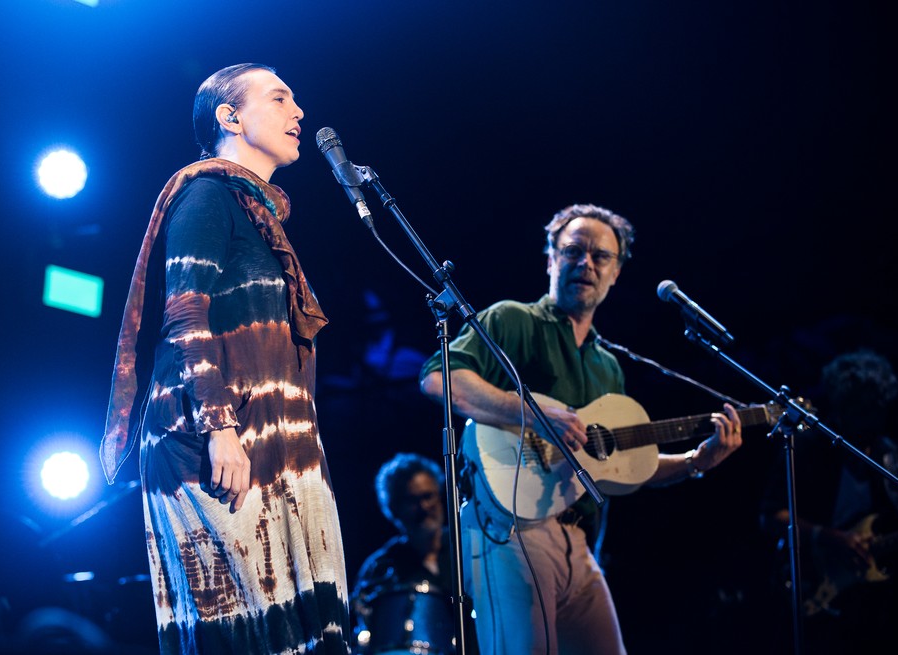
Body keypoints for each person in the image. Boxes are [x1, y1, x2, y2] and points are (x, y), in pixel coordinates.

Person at [100, 63, 350, 655]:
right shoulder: (206, 195)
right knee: (241, 633)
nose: (299, 113)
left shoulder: (255, 212)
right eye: (280, 98)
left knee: (299, 632)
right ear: (230, 117)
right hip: (211, 446)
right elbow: (185, 316)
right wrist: (220, 429)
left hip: (268, 440)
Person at [418, 204, 743, 655]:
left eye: (600, 256)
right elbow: (440, 378)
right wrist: (530, 411)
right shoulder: (514, 320)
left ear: (616, 273)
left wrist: (696, 462)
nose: (585, 263)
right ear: (551, 259)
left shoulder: (607, 366)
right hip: (509, 528)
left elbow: (625, 467)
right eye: (573, 250)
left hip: (577, 539)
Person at [760, 349, 898, 654]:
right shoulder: (809, 446)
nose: (870, 418)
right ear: (843, 405)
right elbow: (771, 515)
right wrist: (831, 538)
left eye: (876, 409)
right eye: (862, 409)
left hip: (873, 600)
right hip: (816, 586)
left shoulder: (887, 454)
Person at [351, 453, 469, 655]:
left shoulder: (468, 546)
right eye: (412, 500)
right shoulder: (380, 567)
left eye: (428, 496)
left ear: (440, 496)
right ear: (394, 509)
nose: (423, 507)